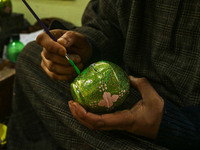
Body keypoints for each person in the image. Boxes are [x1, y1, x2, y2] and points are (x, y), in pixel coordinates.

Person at [7, 0, 200, 149]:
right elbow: (106, 22)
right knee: (30, 58)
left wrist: (176, 125)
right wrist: (87, 46)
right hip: (130, 91)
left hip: (185, 122)